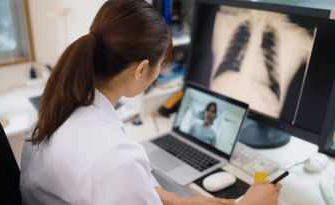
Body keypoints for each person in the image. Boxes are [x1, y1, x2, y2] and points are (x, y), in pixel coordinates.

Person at [19, 0, 282, 204]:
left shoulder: (51, 118)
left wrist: (177, 200)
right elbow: (115, 178)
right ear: (142, 69)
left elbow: (117, 191)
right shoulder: (114, 160)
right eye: (161, 65)